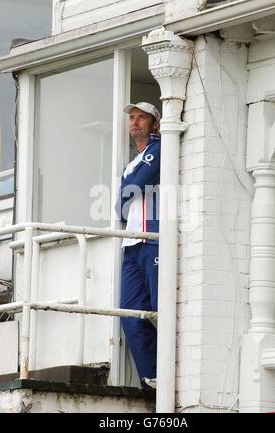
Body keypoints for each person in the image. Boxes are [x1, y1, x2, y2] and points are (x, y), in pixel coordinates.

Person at [116, 102, 161, 389]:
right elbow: (121, 202)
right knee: (130, 314)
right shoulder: (135, 159)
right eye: (132, 118)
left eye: (141, 118)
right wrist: (126, 190)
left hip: (153, 239)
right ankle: (151, 376)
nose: (135, 123)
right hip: (131, 243)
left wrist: (127, 190)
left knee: (161, 309)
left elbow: (133, 186)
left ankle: (169, 372)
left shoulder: (159, 149)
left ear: (154, 123)